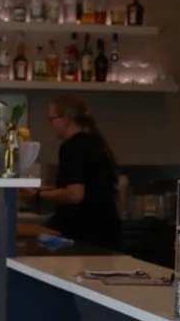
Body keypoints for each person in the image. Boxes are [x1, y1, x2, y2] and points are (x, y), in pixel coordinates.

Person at [23, 95, 122, 251]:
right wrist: (43, 191)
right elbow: (88, 188)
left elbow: (75, 194)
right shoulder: (96, 143)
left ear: (66, 119)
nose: (50, 124)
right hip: (107, 232)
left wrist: (38, 195)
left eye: (51, 119)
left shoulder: (72, 147)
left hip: (86, 235)